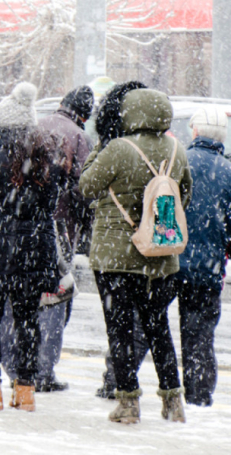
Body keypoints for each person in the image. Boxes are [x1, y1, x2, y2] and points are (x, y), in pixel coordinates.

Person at [79, 83, 192, 425]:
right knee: (159, 329)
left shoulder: (117, 149)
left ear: (128, 113)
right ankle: (173, 400)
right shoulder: (177, 149)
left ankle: (128, 403)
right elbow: (182, 197)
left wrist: (99, 147)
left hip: (116, 258)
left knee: (121, 330)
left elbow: (86, 186)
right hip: (161, 256)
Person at [0, 82, 66, 412]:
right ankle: (25, 391)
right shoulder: (44, 149)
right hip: (34, 245)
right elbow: (51, 202)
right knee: (27, 319)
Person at [0, 85, 94, 393]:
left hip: (23, 227)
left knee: (20, 299)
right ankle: (42, 369)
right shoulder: (79, 137)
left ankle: (15, 365)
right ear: (84, 113)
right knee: (55, 298)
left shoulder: (38, 125)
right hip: (58, 229)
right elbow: (84, 186)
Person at [173, 106, 231, 407]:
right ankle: (198, 395)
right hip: (207, 268)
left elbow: (165, 206)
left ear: (194, 131)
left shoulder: (178, 161)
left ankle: (119, 381)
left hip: (170, 260)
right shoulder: (228, 172)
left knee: (145, 325)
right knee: (199, 336)